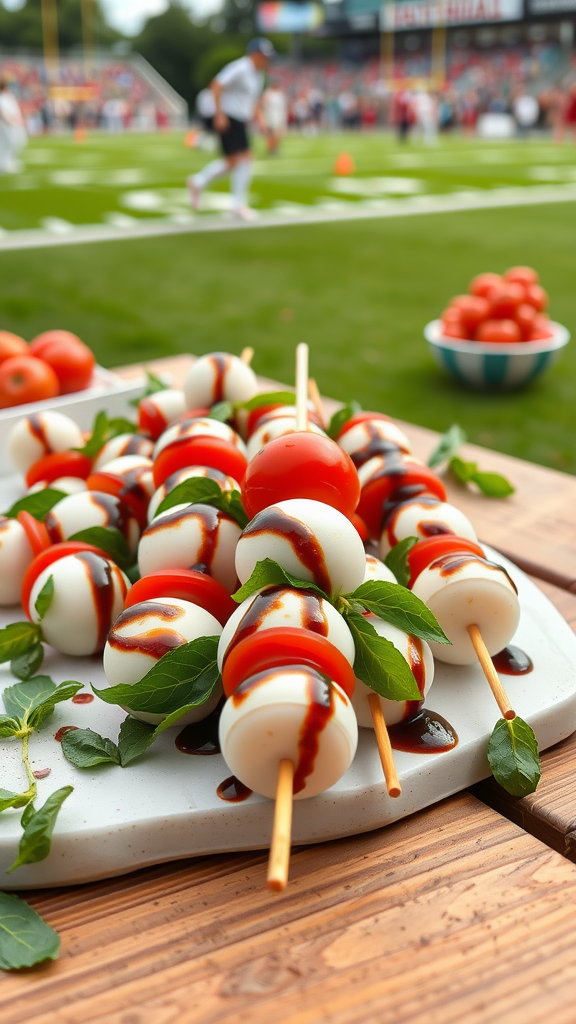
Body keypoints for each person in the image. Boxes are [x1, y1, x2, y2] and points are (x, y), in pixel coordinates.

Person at [187, 38, 275, 222]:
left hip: (239, 119)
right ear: (254, 54)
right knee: (244, 158)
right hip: (229, 117)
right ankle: (237, 204)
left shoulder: (258, 75)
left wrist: (261, 122)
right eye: (263, 56)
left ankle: (199, 182)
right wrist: (219, 114)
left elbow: (254, 102)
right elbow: (217, 85)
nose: (265, 60)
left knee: (235, 161)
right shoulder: (241, 67)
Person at [0, 79, 26, 173]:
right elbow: (2, 112)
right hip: (6, 124)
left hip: (12, 123)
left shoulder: (8, 97)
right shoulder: (2, 97)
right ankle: (4, 163)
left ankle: (7, 161)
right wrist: (9, 121)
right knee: (8, 143)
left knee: (16, 141)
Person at [261, 79, 287, 155]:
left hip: (279, 114)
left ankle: (275, 147)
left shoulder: (279, 93)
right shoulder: (268, 93)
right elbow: (264, 104)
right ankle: (271, 148)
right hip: (271, 115)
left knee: (279, 133)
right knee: (271, 133)